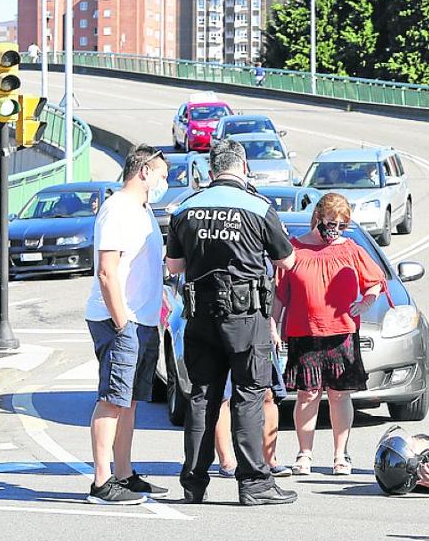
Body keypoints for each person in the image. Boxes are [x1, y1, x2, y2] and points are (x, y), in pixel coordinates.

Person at [166, 139, 298, 506]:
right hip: (245, 315)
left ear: (211, 171)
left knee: (201, 398)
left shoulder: (185, 209)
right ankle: (255, 483)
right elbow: (286, 261)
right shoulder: (258, 207)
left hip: (199, 315)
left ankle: (193, 484)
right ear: (243, 168)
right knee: (249, 397)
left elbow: (174, 267)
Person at [273, 193, 387, 476]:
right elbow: (279, 296)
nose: (335, 228)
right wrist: (273, 326)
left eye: (342, 224)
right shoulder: (295, 250)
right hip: (304, 332)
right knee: (307, 394)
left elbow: (374, 282)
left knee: (339, 395)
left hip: (342, 333)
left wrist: (366, 302)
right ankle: (304, 454)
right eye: (331, 222)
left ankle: (341, 456)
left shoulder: (351, 249)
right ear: (318, 218)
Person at [83, 145, 170, 504]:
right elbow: (107, 271)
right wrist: (122, 323)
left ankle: (124, 473)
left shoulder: (143, 209)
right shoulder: (117, 209)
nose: (166, 182)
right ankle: (101, 482)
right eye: (162, 175)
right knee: (113, 399)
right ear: (144, 172)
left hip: (143, 320)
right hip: (122, 320)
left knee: (130, 401)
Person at [213, 360, 288, 478]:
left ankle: (269, 459)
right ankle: (226, 461)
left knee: (268, 393)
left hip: (257, 344)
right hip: (222, 344)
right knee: (222, 395)